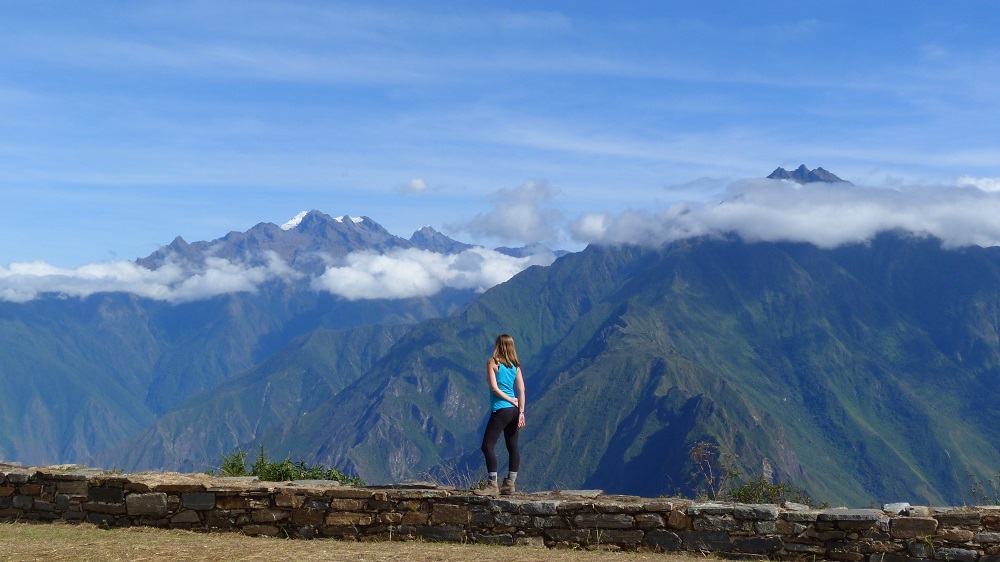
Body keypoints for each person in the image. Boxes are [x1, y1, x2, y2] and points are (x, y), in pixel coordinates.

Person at [474, 333, 526, 496]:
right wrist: (522, 412)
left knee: (487, 446)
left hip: (501, 409)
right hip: (515, 411)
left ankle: (492, 484)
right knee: (512, 446)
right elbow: (522, 390)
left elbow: (494, 388)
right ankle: (510, 483)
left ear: (498, 345)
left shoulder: (493, 363)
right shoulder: (515, 366)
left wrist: (509, 399)